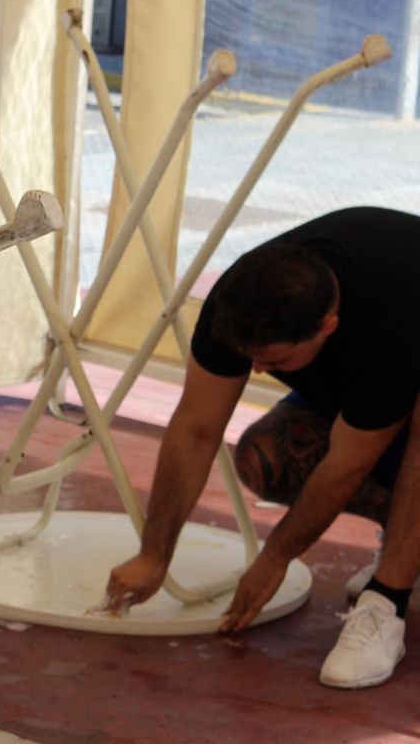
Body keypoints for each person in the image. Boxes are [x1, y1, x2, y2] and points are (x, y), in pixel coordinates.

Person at [102, 207, 420, 690]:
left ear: (328, 326)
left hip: (406, 343)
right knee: (267, 456)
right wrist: (153, 553)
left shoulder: (393, 326)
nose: (256, 370)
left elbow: (347, 464)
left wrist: (274, 558)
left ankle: (387, 601)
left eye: (274, 360)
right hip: (381, 379)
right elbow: (196, 429)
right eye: (249, 356)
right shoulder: (241, 298)